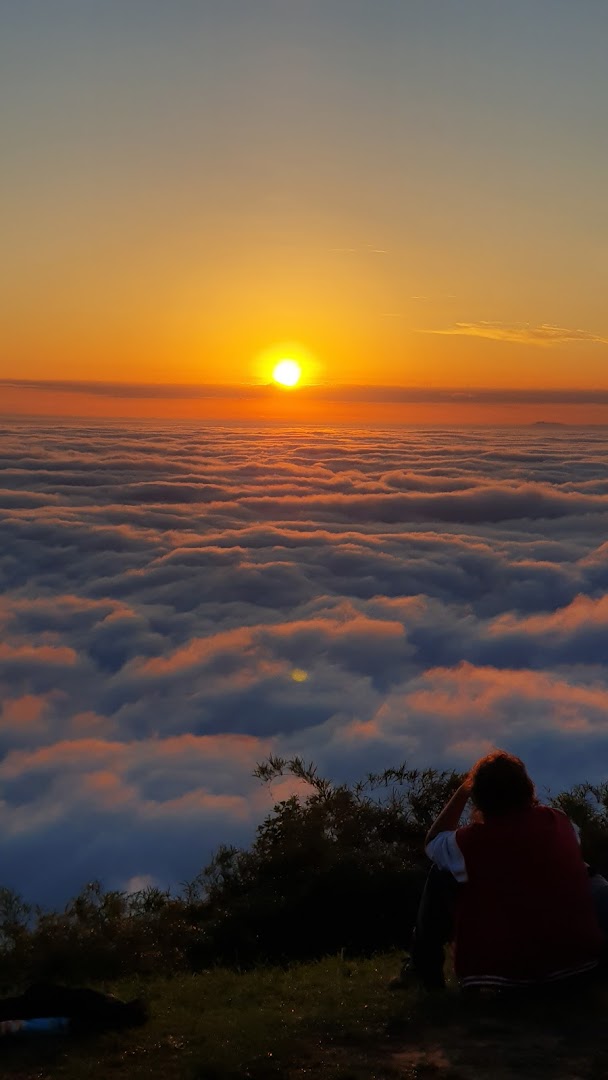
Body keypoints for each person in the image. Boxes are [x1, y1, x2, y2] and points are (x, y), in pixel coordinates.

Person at [396, 751, 606, 992]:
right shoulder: (559, 821)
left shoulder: (468, 844)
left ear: (479, 797)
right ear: (527, 787)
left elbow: (433, 840)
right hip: (579, 968)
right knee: (588, 874)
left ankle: (423, 971)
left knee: (440, 874)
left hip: (499, 979)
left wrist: (464, 789)